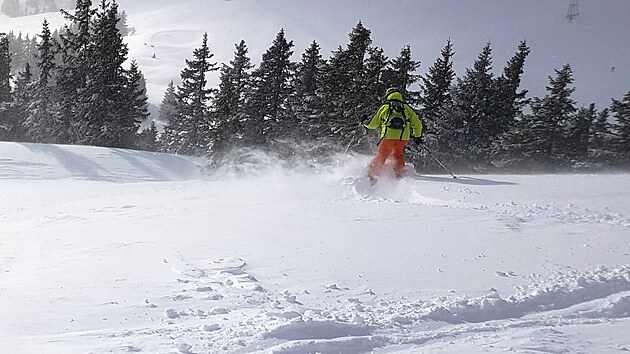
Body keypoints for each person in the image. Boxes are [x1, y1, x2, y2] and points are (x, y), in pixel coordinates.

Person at [363, 87, 423, 183]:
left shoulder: (385, 107)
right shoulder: (406, 108)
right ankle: (399, 175)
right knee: (398, 155)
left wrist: (365, 122)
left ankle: (372, 176)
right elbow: (417, 124)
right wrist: (417, 136)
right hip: (402, 139)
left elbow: (373, 124)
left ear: (387, 95)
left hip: (387, 137)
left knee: (382, 155)